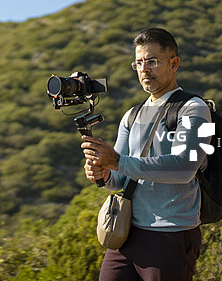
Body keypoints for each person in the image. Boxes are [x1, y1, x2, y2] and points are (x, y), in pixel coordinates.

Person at [82, 28, 211, 281]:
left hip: (171, 233)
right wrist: (104, 173)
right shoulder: (132, 114)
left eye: (152, 61)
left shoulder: (193, 108)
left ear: (174, 64)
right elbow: (120, 178)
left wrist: (117, 161)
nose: (144, 69)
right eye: (139, 62)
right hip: (127, 231)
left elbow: (185, 168)